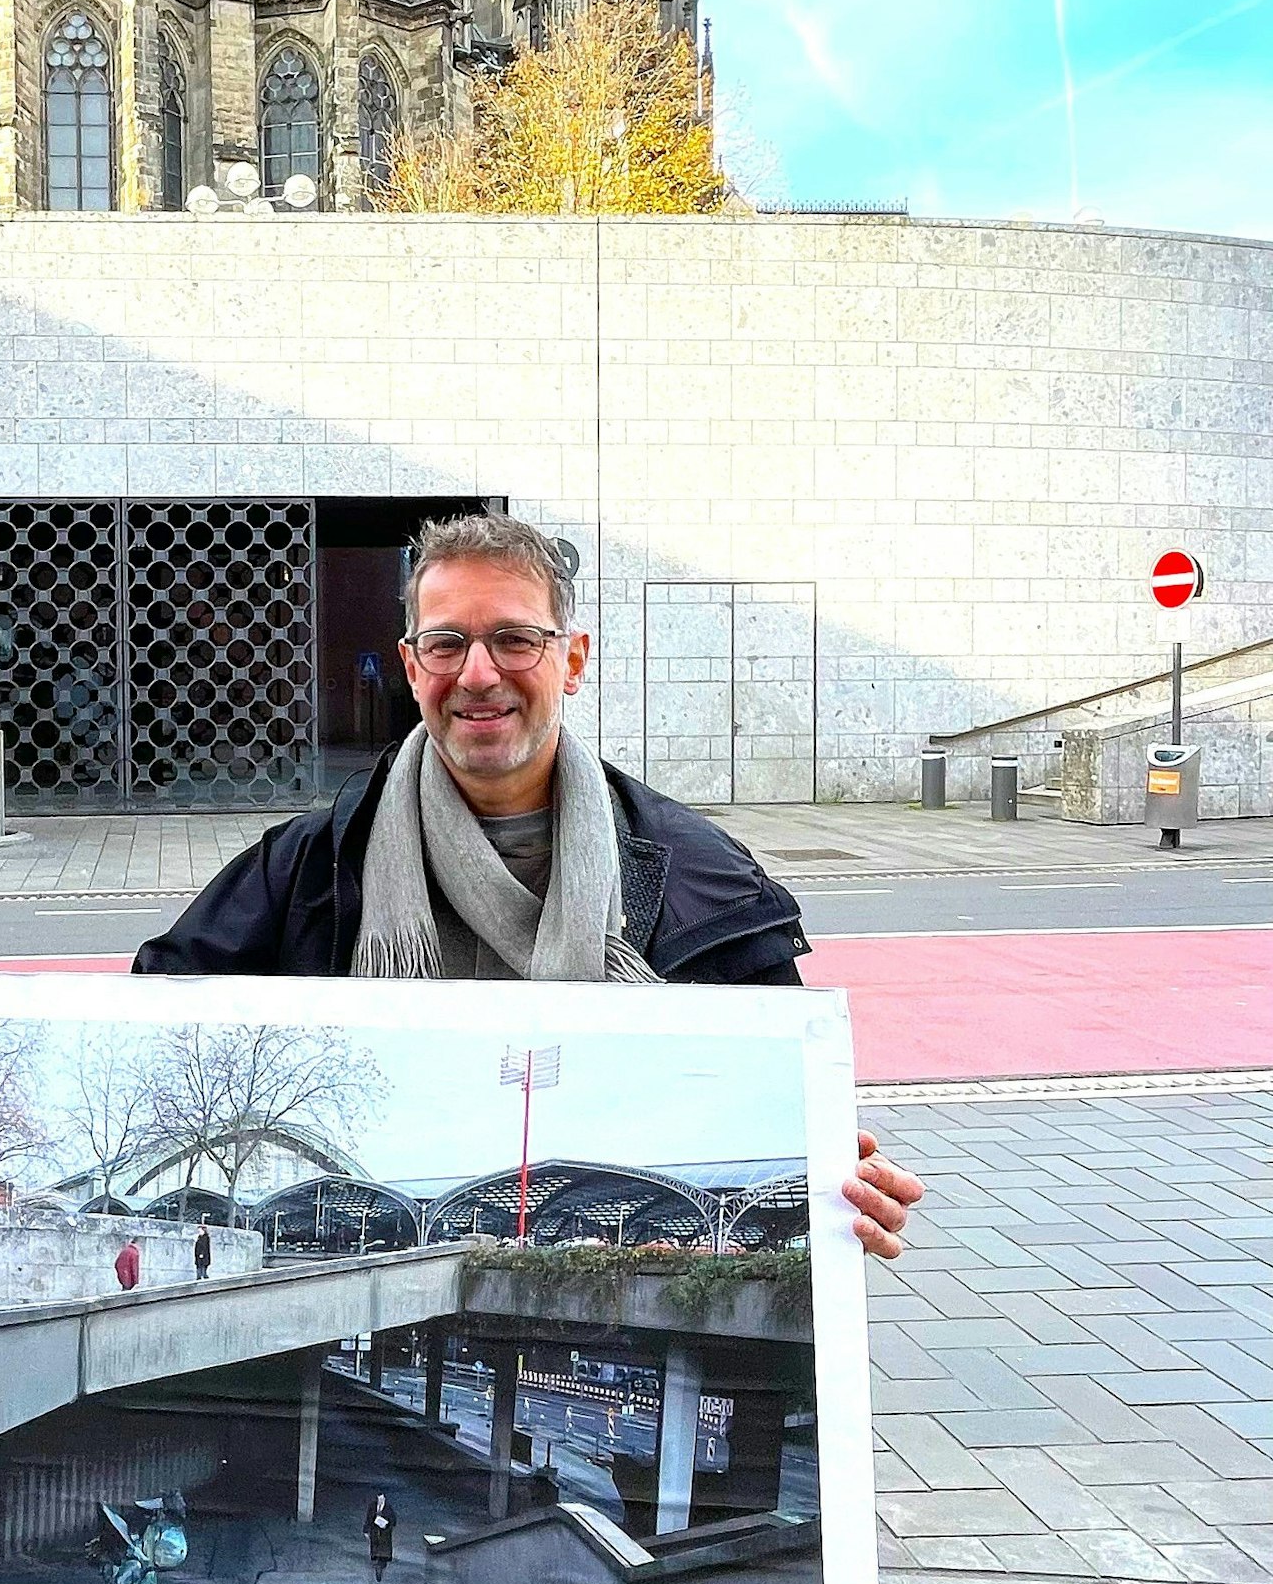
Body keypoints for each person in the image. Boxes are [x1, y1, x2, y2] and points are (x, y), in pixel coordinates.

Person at [133, 512, 923, 1261]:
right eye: (446, 644)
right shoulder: (307, 869)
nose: (477, 675)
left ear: (571, 661)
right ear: (412, 666)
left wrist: (839, 1188)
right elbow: (153, 1030)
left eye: (514, 640)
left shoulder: (708, 881)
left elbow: (779, 1108)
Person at [364, 1490, 395, 1582]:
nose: (380, 1501)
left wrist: (386, 1525)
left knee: (384, 1549)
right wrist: (366, 1530)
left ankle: (382, 1563)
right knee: (375, 1546)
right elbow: (368, 1518)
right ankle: (376, 1559)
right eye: (379, 1499)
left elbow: (393, 1520)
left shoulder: (388, 1508)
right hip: (375, 1531)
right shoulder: (372, 1506)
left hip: (385, 1533)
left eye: (382, 1499)